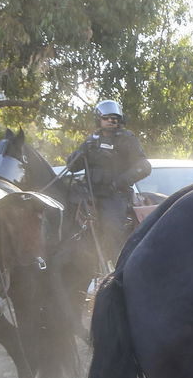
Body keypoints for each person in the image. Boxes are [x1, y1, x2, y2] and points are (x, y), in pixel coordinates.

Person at [64, 100, 151, 265]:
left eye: (115, 118)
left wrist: (119, 182)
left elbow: (144, 167)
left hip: (115, 195)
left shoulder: (127, 139)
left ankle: (116, 267)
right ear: (99, 119)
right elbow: (71, 166)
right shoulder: (92, 141)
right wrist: (79, 154)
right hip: (89, 193)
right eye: (107, 118)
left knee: (112, 228)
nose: (112, 121)